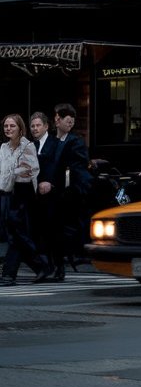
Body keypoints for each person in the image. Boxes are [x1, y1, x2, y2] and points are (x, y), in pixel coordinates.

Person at [1, 113, 52, 285]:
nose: (8, 129)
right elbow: (6, 173)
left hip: (24, 195)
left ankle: (10, 274)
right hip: (8, 194)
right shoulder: (3, 148)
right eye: (6, 126)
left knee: (18, 235)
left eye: (12, 126)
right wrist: (14, 171)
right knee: (15, 236)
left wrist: (12, 173)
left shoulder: (27, 146)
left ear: (20, 128)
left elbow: (31, 172)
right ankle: (40, 267)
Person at [52, 103, 94, 272]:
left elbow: (79, 164)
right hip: (58, 187)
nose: (70, 124)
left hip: (74, 187)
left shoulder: (75, 141)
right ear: (57, 120)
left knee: (72, 221)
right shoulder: (52, 140)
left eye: (72, 121)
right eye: (67, 121)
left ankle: (73, 252)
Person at [30, 111, 64, 281]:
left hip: (53, 195)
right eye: (32, 126)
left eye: (38, 125)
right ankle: (46, 265)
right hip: (36, 195)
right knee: (39, 231)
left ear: (46, 126)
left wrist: (51, 183)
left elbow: (60, 168)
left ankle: (58, 267)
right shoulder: (32, 146)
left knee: (53, 232)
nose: (35, 129)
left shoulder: (56, 144)